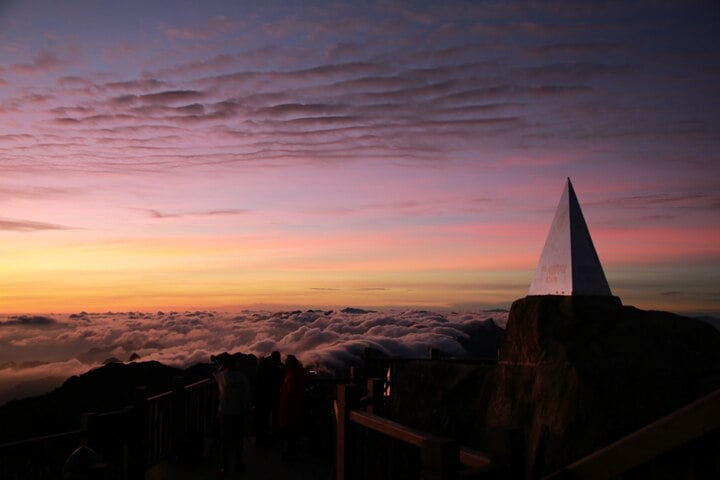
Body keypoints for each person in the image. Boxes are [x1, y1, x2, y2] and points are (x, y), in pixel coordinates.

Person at [214, 353, 252, 474]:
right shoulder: (242, 378)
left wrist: (219, 366)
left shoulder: (222, 376)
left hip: (225, 412)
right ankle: (238, 463)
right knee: (238, 439)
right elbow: (247, 395)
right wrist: (247, 408)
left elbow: (214, 374)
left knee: (225, 441)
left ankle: (224, 467)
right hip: (239, 412)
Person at [278, 354, 308, 461]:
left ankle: (289, 453)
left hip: (289, 407)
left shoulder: (293, 375)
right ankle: (291, 452)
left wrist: (283, 392)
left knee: (289, 431)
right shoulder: (298, 372)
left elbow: (291, 391)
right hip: (293, 407)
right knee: (292, 431)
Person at [254, 350, 285, 444]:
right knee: (273, 417)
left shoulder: (263, 367)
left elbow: (258, 381)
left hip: (261, 396)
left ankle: (261, 438)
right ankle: (273, 436)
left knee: (262, 418)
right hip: (273, 395)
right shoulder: (277, 368)